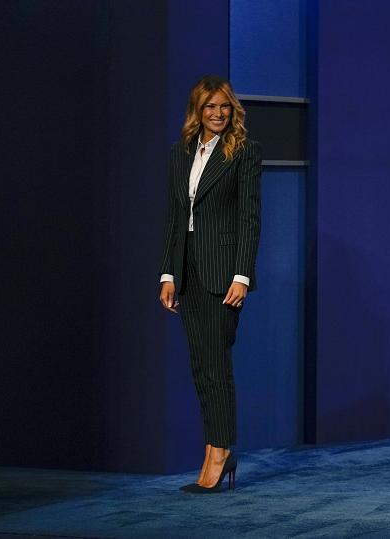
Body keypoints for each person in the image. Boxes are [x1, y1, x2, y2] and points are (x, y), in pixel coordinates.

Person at [158, 75, 262, 493]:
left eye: (224, 106)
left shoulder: (244, 151)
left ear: (232, 109)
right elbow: (174, 217)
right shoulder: (180, 152)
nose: (218, 114)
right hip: (188, 272)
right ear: (197, 111)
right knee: (201, 366)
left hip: (224, 274)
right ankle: (213, 448)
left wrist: (242, 275)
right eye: (210, 107)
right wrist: (168, 274)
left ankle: (219, 450)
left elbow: (250, 218)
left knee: (216, 365)